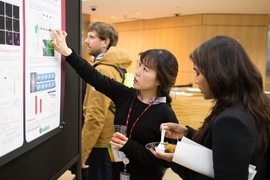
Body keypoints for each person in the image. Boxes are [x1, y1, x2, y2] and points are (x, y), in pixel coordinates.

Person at [50, 28, 179, 180]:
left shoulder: (166, 114)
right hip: (116, 172)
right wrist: (68, 53)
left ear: (160, 80)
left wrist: (129, 146)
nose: (137, 72)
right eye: (139, 66)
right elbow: (94, 77)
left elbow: (167, 159)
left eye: (145, 69)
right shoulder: (126, 95)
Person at [150, 35, 270, 180]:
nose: (195, 80)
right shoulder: (256, 103)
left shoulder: (232, 120)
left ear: (217, 73)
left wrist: (176, 160)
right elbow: (227, 151)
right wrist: (188, 134)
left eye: (198, 72)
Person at [77, 21, 133, 180]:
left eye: (91, 37)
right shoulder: (116, 66)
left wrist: (83, 152)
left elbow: (95, 116)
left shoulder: (103, 69)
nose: (86, 41)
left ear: (105, 42)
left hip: (100, 144)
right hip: (113, 138)